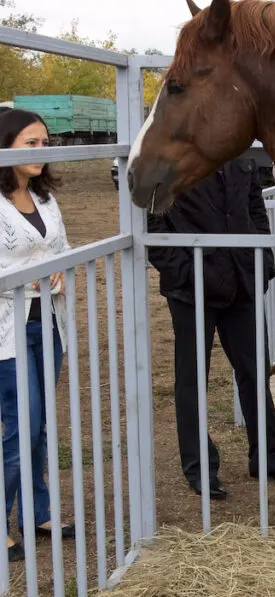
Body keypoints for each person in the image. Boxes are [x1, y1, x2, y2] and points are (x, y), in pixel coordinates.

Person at [146, 157, 275, 499]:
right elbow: (156, 229)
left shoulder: (239, 158)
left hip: (241, 281)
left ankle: (267, 455)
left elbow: (256, 211)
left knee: (254, 371)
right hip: (192, 290)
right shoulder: (171, 158)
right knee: (192, 378)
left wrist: (262, 263)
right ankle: (199, 466)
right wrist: (187, 273)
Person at [0, 109, 76, 562]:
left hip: (48, 324)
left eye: (45, 144)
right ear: (6, 145)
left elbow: (62, 249)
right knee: (21, 426)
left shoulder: (46, 199)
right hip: (8, 330)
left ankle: (37, 511)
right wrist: (25, 277)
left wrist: (62, 271)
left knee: (41, 424)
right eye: (31, 144)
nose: (41, 153)